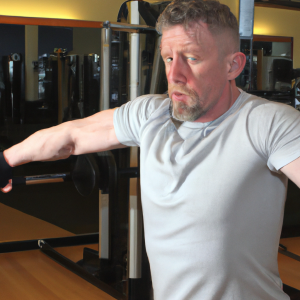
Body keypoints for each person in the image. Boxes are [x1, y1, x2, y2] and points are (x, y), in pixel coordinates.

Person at [1, 0, 300, 299]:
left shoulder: (269, 123)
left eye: (192, 58)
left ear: (232, 65)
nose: (174, 75)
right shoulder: (150, 113)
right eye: (169, 58)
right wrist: (5, 160)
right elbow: (72, 134)